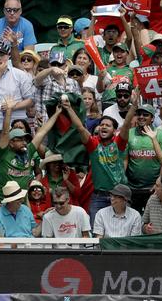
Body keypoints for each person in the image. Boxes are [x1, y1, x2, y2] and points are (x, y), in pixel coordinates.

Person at [64, 89, 136, 223]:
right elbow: (80, 127)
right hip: (98, 196)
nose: (103, 127)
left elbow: (126, 125)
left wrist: (134, 107)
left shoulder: (119, 143)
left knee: (120, 230)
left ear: (114, 131)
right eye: (101, 124)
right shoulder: (93, 144)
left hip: (119, 195)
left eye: (107, 125)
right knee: (95, 232)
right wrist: (68, 109)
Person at [0, 101, 59, 211]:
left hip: (22, 204)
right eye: (20, 140)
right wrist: (9, 110)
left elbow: (43, 132)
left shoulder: (29, 151)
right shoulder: (4, 152)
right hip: (1, 204)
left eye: (25, 139)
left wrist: (57, 113)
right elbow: (4, 132)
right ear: (11, 142)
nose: (24, 142)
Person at [0, 45, 35, 158]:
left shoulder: (20, 75)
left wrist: (13, 106)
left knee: (21, 160)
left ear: (8, 56)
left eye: (2, 55)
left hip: (18, 126)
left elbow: (30, 100)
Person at [126, 104, 162, 213]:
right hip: (132, 188)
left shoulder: (161, 135)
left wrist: (158, 185)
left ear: (152, 118)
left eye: (145, 115)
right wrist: (123, 181)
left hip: (152, 188)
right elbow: (124, 160)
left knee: (152, 222)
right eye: (139, 114)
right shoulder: (129, 133)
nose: (141, 117)